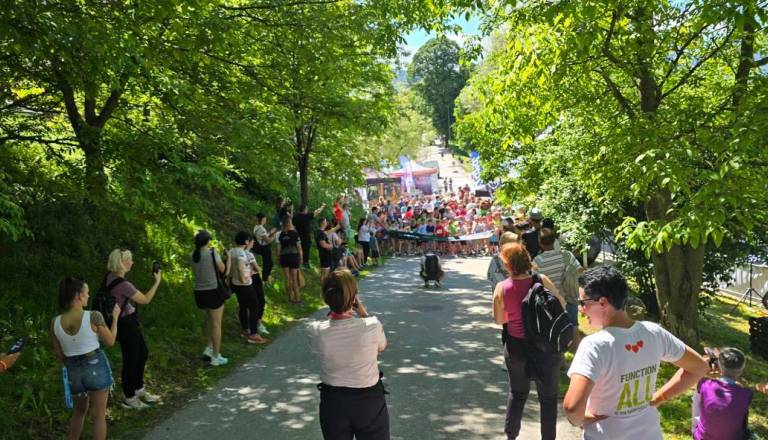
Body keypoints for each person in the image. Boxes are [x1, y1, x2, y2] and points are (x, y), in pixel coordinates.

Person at [563, 266, 709, 440]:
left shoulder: (595, 346)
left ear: (602, 303)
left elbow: (572, 408)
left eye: (583, 303)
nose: (581, 309)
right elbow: (699, 367)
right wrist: (659, 398)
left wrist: (580, 419)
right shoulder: (654, 333)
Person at [492, 242, 566, 440]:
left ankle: (511, 436)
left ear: (508, 265)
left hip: (516, 346)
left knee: (517, 394)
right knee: (548, 399)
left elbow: (499, 319)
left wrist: (515, 314)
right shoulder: (541, 280)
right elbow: (561, 303)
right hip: (545, 346)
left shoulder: (502, 288)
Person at [307, 270, 389, 440]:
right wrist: (363, 312)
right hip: (369, 401)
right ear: (354, 298)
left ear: (326, 298)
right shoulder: (371, 326)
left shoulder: (315, 331)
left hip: (333, 402)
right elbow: (381, 347)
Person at [52, 276, 121, 440]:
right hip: (95, 365)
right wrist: (115, 318)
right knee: (98, 417)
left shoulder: (55, 322)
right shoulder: (93, 316)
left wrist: (73, 363)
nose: (88, 295)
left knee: (78, 412)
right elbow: (110, 341)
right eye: (86, 292)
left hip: (73, 369)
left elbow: (59, 354)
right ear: (78, 295)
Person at [105, 249, 162, 409]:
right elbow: (145, 299)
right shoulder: (123, 285)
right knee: (131, 359)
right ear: (121, 263)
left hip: (123, 322)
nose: (132, 262)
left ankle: (138, 388)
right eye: (129, 260)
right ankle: (129, 396)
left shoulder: (110, 277)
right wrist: (157, 282)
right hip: (126, 324)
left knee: (142, 353)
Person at [533, 228, 583, 349]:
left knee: (553, 329)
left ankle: (559, 357)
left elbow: (534, 281)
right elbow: (579, 270)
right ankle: (577, 351)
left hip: (550, 300)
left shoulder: (537, 261)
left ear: (540, 243)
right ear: (554, 240)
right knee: (574, 325)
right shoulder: (566, 255)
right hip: (569, 296)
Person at [692, 347, 753, 440]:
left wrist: (708, 372)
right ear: (742, 370)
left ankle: (697, 427)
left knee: (698, 395)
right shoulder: (747, 394)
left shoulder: (705, 384)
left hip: (702, 438)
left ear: (719, 366)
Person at [190, 231, 230, 365]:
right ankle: (215, 356)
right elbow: (224, 271)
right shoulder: (212, 253)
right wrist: (229, 258)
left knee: (210, 321)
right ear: (207, 241)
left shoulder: (192, 255)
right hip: (213, 291)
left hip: (199, 292)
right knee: (217, 324)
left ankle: (209, 348)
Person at [228, 232, 268, 344]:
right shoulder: (241, 252)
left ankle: (246, 330)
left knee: (243, 305)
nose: (252, 241)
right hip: (244, 284)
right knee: (254, 306)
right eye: (250, 240)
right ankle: (253, 334)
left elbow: (229, 266)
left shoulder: (232, 251)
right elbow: (240, 267)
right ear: (246, 241)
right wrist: (243, 279)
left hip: (235, 283)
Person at [277, 215, 303, 303]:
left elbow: (278, 249)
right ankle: (297, 299)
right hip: (293, 256)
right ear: (289, 222)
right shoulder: (295, 234)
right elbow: (299, 248)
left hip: (284, 257)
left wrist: (279, 259)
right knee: (294, 279)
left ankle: (289, 298)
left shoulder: (280, 234)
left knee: (287, 279)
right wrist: (301, 258)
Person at [294, 203, 326, 268]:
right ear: (304, 209)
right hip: (306, 237)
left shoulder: (295, 217)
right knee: (306, 251)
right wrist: (322, 206)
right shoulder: (306, 216)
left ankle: (298, 262)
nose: (307, 210)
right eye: (307, 209)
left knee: (299, 249)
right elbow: (317, 212)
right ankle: (305, 264)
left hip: (297, 236)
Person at [253, 213, 277, 283]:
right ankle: (265, 279)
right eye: (265, 219)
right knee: (268, 264)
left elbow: (263, 236)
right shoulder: (261, 229)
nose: (265, 220)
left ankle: (266, 278)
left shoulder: (256, 227)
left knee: (268, 263)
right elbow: (268, 240)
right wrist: (274, 235)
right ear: (262, 219)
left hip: (262, 247)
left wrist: (270, 232)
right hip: (265, 248)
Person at [316, 217, 335, 283]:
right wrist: (331, 246)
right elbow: (323, 244)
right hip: (325, 255)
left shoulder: (319, 232)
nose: (327, 223)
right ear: (323, 223)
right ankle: (324, 288)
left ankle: (323, 287)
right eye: (326, 221)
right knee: (325, 275)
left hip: (323, 255)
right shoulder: (321, 233)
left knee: (324, 274)